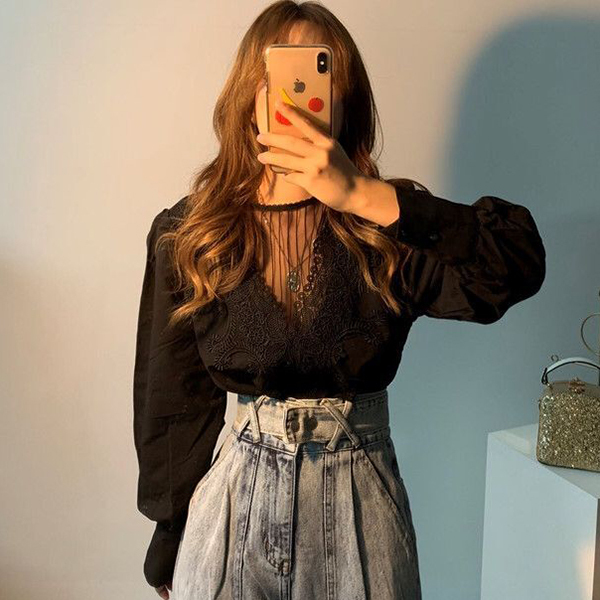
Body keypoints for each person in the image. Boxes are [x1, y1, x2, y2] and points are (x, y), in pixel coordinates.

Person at [132, 2, 547, 599]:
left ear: (346, 98)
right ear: (250, 93)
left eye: (320, 74)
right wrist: (170, 533)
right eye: (283, 75)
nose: (301, 96)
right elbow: (172, 401)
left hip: (361, 511)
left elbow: (514, 266)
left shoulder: (386, 226)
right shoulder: (195, 234)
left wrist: (365, 196)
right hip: (229, 512)